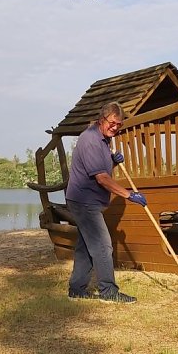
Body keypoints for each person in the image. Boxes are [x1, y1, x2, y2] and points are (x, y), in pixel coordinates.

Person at [65, 101, 147, 303]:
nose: (116, 127)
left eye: (119, 124)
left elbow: (100, 168)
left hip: (87, 200)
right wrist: (129, 195)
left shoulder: (103, 139)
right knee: (103, 245)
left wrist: (113, 161)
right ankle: (108, 292)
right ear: (102, 119)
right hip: (84, 201)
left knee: (86, 246)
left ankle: (76, 289)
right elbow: (101, 178)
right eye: (113, 123)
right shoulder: (91, 140)